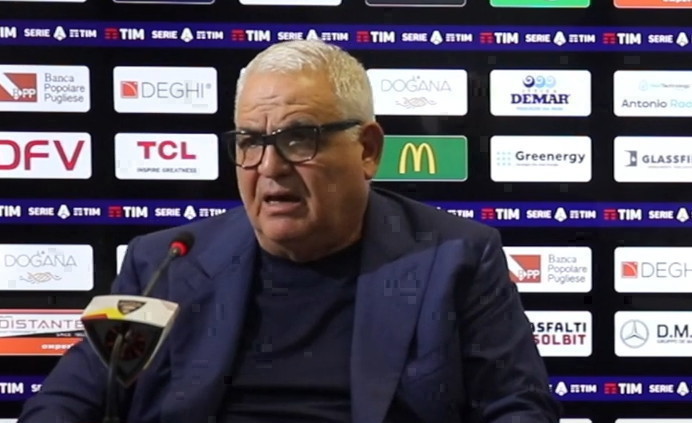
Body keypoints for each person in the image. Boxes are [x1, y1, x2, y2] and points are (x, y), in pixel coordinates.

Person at [18, 39, 561, 423]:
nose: (270, 167)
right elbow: (67, 400)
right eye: (250, 141)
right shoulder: (165, 262)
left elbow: (519, 408)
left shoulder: (457, 258)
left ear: (368, 150)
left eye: (300, 139)